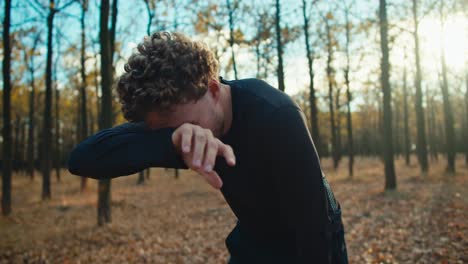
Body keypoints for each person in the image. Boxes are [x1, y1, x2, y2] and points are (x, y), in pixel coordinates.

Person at [68, 31, 348, 263]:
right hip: (252, 236)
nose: (191, 138)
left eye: (187, 126)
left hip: (314, 230)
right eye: (172, 131)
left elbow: (314, 232)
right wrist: (171, 141)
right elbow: (82, 159)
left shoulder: (276, 114)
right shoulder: (179, 127)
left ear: (213, 90)